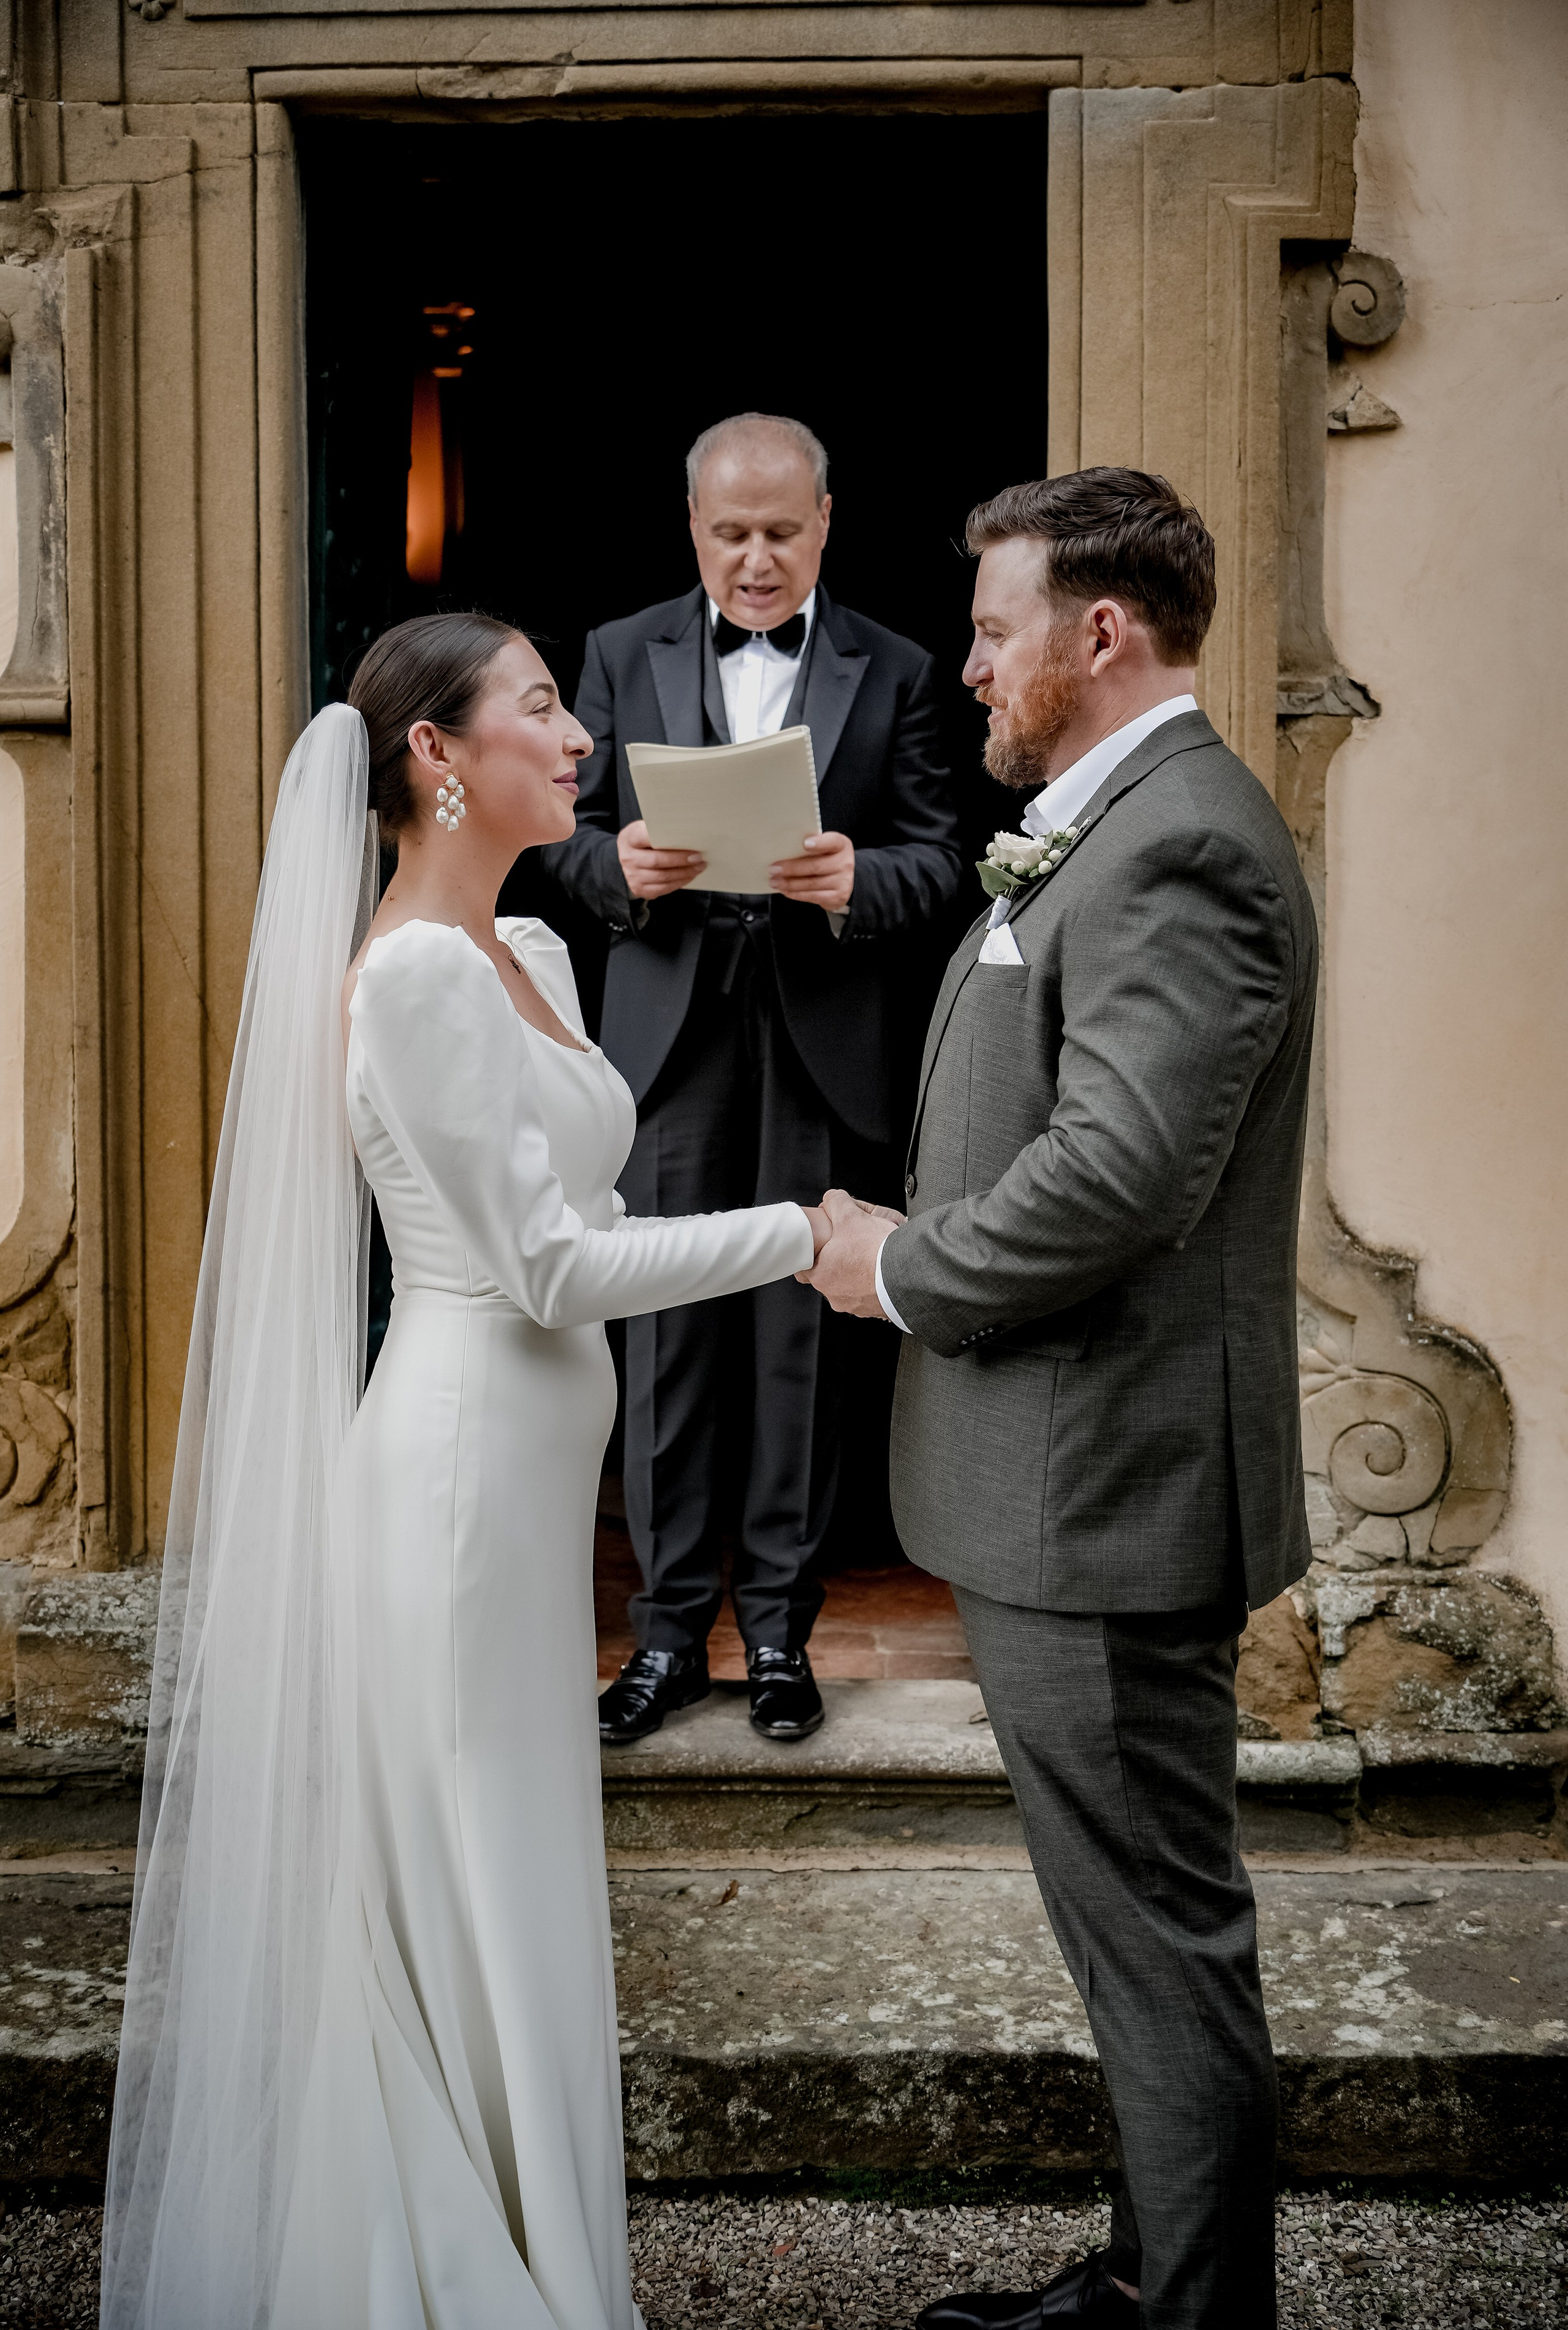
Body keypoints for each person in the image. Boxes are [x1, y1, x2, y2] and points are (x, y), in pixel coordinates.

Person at [100, 613, 831, 2330]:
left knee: (515, 1865)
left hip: (523, 1483)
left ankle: (529, 2240)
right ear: (435, 753)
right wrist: (803, 1234)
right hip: (451, 1483)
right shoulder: (419, 976)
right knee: (472, 1867)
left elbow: (596, 1210)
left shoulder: (534, 953)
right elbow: (549, 1270)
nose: (580, 739)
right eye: (542, 707)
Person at [804, 469, 1317, 2329]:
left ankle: (1191, 2315)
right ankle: (1148, 2277)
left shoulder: (1182, 845)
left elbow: (1119, 1175)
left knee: (1158, 1938)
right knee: (1131, 1931)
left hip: (1107, 1489)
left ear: (1099, 633)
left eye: (990, 630)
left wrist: (901, 1267)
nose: (964, 669)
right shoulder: (1114, 824)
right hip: (1067, 1482)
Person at [541, 412, 962, 1744]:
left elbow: (942, 857)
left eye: (782, 532)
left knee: (800, 1341)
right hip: (667, 1045)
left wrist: (857, 882)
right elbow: (559, 837)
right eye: (731, 534)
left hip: (820, 1042)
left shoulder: (898, 667)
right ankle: (665, 1637)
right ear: (692, 528)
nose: (757, 561)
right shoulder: (619, 652)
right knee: (665, 1335)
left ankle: (780, 1632)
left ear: (826, 523)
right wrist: (615, 869)